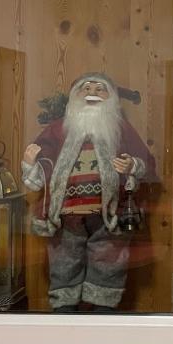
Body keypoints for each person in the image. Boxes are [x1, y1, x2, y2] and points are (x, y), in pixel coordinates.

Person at [22, 72, 155, 312]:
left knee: (109, 260)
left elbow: (145, 162)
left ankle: (104, 307)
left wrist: (132, 165)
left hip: (109, 214)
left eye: (99, 89)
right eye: (86, 88)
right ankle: (65, 307)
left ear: (111, 98)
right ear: (75, 96)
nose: (92, 93)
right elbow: (45, 162)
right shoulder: (58, 130)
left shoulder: (120, 130)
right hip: (65, 216)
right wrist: (32, 164)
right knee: (64, 260)